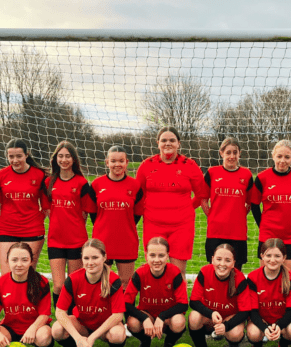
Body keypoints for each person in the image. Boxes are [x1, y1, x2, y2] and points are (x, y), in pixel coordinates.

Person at [136, 128, 208, 277]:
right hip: (153, 225)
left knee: (178, 271)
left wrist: (186, 207)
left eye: (172, 140)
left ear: (178, 144)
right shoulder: (146, 165)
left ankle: (179, 301)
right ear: (158, 143)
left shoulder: (190, 165)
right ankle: (154, 299)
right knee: (154, 269)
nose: (167, 143)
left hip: (182, 226)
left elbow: (201, 195)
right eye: (164, 140)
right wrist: (150, 210)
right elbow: (138, 195)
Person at [51, 238, 127, 347]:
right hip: (83, 324)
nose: (90, 262)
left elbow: (117, 315)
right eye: (86, 258)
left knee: (118, 334)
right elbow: (60, 312)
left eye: (95, 257)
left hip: (105, 327)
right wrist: (78, 338)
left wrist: (92, 337)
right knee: (57, 330)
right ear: (82, 259)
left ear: (104, 258)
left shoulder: (113, 280)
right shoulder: (73, 279)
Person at [124, 237, 188, 347]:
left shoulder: (175, 272)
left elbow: (183, 304)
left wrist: (162, 316)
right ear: (146, 255)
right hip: (148, 316)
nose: (156, 260)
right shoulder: (140, 273)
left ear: (167, 256)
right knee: (132, 323)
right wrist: (144, 318)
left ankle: (169, 344)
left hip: (168, 318)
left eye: (161, 255)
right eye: (152, 255)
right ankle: (145, 342)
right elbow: (126, 303)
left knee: (179, 321)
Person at [89, 145, 144, 287]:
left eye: (121, 161)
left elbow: (136, 215)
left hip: (126, 241)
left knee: (126, 283)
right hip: (102, 241)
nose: (117, 164)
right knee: (102, 282)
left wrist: (123, 225)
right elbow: (94, 215)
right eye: (113, 161)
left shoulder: (135, 186)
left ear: (127, 162)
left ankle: (124, 310)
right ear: (107, 162)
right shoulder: (96, 184)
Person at [0, 139, 49, 274]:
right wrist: (7, 221)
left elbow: (46, 207)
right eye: (11, 156)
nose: (15, 160)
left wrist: (35, 221)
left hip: (32, 230)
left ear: (26, 155)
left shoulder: (40, 175)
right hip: (7, 230)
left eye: (19, 156)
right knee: (7, 275)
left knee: (27, 273)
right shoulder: (0, 176)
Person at [45, 141, 94, 300]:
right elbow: (47, 210)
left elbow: (84, 213)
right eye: (60, 156)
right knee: (59, 285)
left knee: (73, 284)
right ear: (55, 159)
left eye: (68, 156)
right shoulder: (48, 182)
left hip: (76, 240)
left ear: (74, 159)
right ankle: (60, 319)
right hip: (55, 240)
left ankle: (73, 318)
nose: (64, 160)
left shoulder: (81, 183)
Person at [251, 140, 291, 273]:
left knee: (289, 279)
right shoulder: (262, 178)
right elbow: (254, 206)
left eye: (287, 157)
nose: (283, 160)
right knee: (266, 278)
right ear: (273, 156)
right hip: (268, 234)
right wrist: (264, 225)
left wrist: (290, 220)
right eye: (279, 156)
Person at [188, 243, 250, 347]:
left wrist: (226, 326)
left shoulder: (240, 279)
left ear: (233, 263)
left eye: (227, 260)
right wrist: (211, 313)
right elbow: (194, 301)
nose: (222, 264)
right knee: (194, 317)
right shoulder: (205, 272)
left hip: (229, 318)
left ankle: (233, 346)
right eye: (219, 259)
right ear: (212, 260)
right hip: (210, 317)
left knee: (235, 333)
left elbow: (245, 311)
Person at [201, 137, 253, 270]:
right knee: (215, 271)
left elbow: (250, 203)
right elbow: (203, 199)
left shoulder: (246, 174)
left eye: (235, 152)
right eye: (228, 152)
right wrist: (212, 215)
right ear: (221, 153)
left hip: (238, 232)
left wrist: (238, 215)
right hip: (215, 231)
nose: (231, 156)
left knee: (235, 272)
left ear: (239, 154)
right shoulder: (212, 172)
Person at [245, 239, 291, 347]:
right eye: (268, 255)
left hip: (281, 319)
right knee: (253, 333)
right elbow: (252, 310)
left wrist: (279, 326)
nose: (272, 260)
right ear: (262, 256)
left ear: (284, 257)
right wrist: (264, 328)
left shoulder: (290, 277)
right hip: (260, 319)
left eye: (277, 256)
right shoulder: (253, 277)